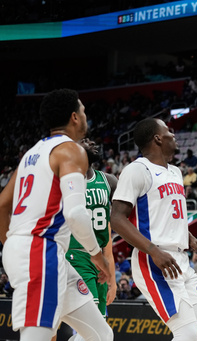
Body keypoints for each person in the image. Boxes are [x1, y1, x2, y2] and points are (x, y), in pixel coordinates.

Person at [0, 89, 113, 341]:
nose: (85, 116)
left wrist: (14, 245)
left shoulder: (31, 154)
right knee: (37, 337)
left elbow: (1, 205)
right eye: (83, 110)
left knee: (101, 335)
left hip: (41, 251)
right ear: (74, 117)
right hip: (40, 249)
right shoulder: (72, 150)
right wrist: (97, 256)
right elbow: (75, 214)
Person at [110, 118, 197, 341]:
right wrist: (153, 250)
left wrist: (190, 239)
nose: (174, 135)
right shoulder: (137, 169)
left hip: (181, 259)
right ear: (158, 138)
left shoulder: (175, 172)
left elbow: (169, 218)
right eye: (169, 131)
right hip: (153, 260)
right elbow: (117, 219)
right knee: (188, 333)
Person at [65, 138, 118, 322]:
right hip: (76, 254)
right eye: (82, 141)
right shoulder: (66, 183)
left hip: (100, 258)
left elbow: (109, 235)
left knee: (100, 324)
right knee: (92, 322)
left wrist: (112, 280)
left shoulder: (109, 181)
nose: (89, 140)